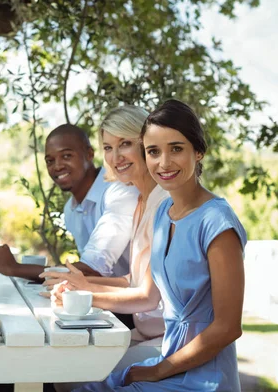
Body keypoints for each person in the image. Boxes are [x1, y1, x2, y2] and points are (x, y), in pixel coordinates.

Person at [51, 99, 247, 391]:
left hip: (203, 375)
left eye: (176, 149)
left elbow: (228, 327)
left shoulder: (216, 221)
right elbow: (149, 288)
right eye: (154, 151)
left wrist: (157, 370)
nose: (164, 163)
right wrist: (81, 286)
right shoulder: (164, 214)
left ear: (199, 151)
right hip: (168, 352)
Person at [0, 124, 139, 281]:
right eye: (50, 160)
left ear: (89, 154)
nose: (57, 166)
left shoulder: (119, 189)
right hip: (108, 298)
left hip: (142, 301)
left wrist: (15, 268)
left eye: (67, 156)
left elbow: (91, 270)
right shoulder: (71, 210)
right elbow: (85, 273)